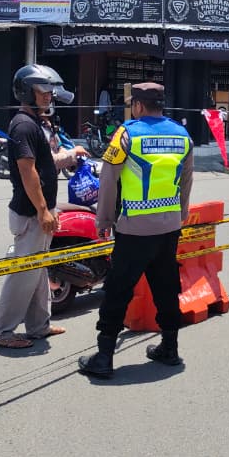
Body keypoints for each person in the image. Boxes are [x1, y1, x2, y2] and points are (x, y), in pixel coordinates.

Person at [79, 82, 194, 379]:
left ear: (138, 106)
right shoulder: (183, 136)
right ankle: (170, 347)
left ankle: (104, 356)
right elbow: (187, 181)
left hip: (134, 229)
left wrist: (103, 220)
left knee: (118, 290)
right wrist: (179, 216)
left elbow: (107, 179)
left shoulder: (126, 134)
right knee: (167, 286)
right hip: (168, 227)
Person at [0, 64, 76, 349]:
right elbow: (28, 172)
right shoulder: (23, 125)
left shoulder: (35, 123)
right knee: (24, 273)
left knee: (38, 271)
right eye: (43, 91)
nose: (49, 96)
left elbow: (47, 163)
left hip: (39, 210)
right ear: (27, 92)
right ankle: (0, 331)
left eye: (51, 91)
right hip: (29, 212)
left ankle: (39, 325)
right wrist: (42, 210)